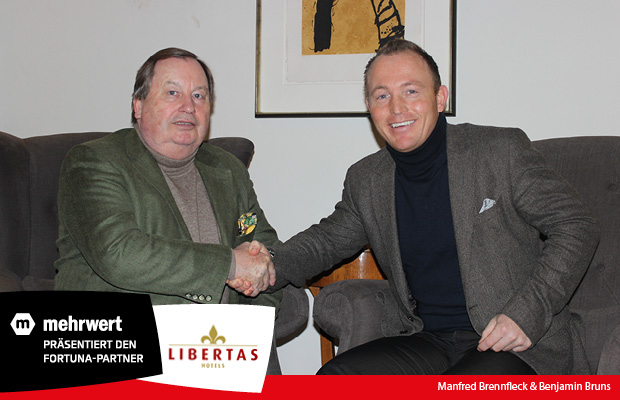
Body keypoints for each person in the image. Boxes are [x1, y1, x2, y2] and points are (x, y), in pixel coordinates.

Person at [260, 39, 600, 374]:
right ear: (369, 106)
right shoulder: (367, 179)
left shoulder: (499, 152)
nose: (396, 108)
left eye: (411, 91)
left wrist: (526, 314)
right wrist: (264, 265)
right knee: (334, 381)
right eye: (382, 96)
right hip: (427, 340)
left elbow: (576, 224)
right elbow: (324, 242)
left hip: (513, 345)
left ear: (440, 97)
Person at [54, 48, 282, 372]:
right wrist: (230, 264)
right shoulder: (94, 161)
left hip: (221, 349)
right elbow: (119, 253)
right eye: (173, 93)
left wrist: (248, 320)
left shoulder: (228, 169)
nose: (188, 106)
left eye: (199, 96)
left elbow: (264, 248)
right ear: (138, 105)